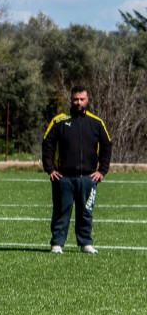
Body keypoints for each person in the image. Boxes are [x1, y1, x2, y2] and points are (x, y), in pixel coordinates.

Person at [41, 85, 112, 254]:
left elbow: (107, 145)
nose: (78, 102)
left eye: (82, 99)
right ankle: (57, 244)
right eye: (75, 99)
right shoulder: (59, 121)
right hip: (63, 178)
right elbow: (47, 143)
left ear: (87, 100)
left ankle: (85, 243)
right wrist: (50, 169)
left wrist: (102, 170)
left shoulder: (96, 123)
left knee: (86, 212)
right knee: (61, 212)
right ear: (71, 100)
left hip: (88, 178)